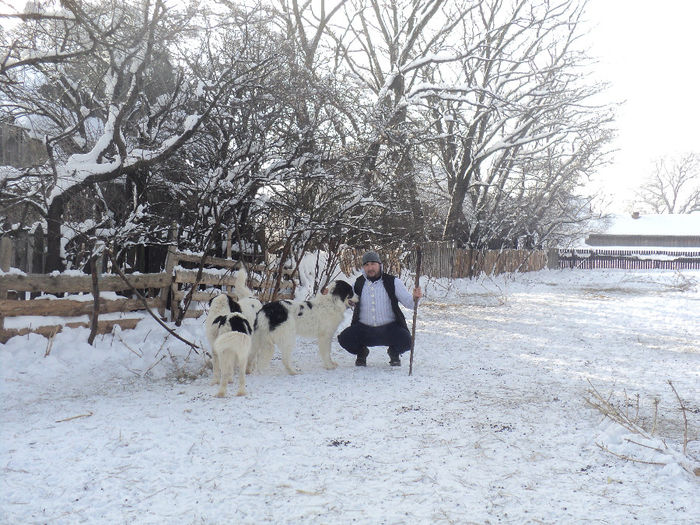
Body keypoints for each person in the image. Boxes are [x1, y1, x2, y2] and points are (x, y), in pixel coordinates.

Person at [338, 251, 422, 367]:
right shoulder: (358, 284)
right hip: (364, 330)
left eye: (373, 264)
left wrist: (415, 297)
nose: (370, 268)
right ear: (363, 267)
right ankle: (362, 352)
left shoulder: (393, 282)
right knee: (344, 339)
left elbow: (410, 304)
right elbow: (347, 303)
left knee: (407, 341)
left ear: (380, 265)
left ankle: (394, 352)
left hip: (389, 329)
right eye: (366, 265)